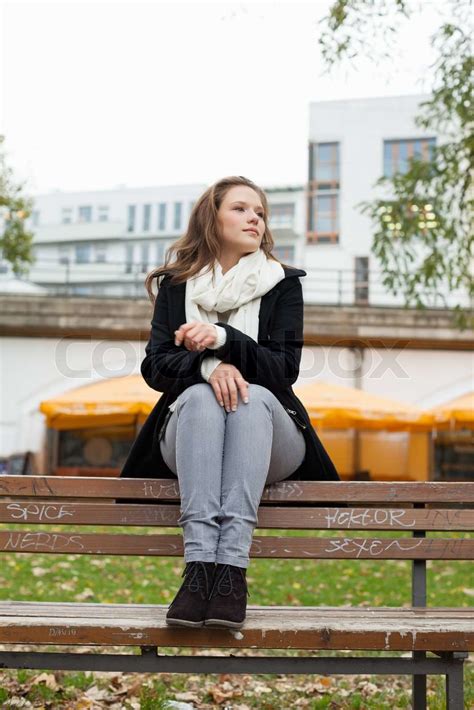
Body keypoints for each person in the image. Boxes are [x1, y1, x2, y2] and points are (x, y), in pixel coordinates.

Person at [120, 175, 340, 630]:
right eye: (241, 208)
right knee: (202, 398)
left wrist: (223, 339)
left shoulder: (282, 284)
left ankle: (232, 572)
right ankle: (200, 573)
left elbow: (284, 370)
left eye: (259, 211)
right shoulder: (176, 287)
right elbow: (155, 368)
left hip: (272, 436)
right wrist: (207, 367)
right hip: (192, 435)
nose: (254, 218)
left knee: (251, 395)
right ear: (211, 218)